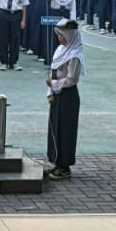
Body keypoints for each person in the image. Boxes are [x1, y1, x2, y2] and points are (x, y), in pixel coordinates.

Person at [45, 17, 84, 179]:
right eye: (59, 35)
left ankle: (65, 166)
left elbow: (71, 79)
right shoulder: (60, 50)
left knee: (65, 130)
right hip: (57, 94)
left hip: (68, 96)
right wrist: (50, 93)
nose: (60, 38)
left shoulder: (74, 55)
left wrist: (54, 85)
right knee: (55, 128)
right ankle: (56, 162)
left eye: (62, 35)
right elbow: (52, 72)